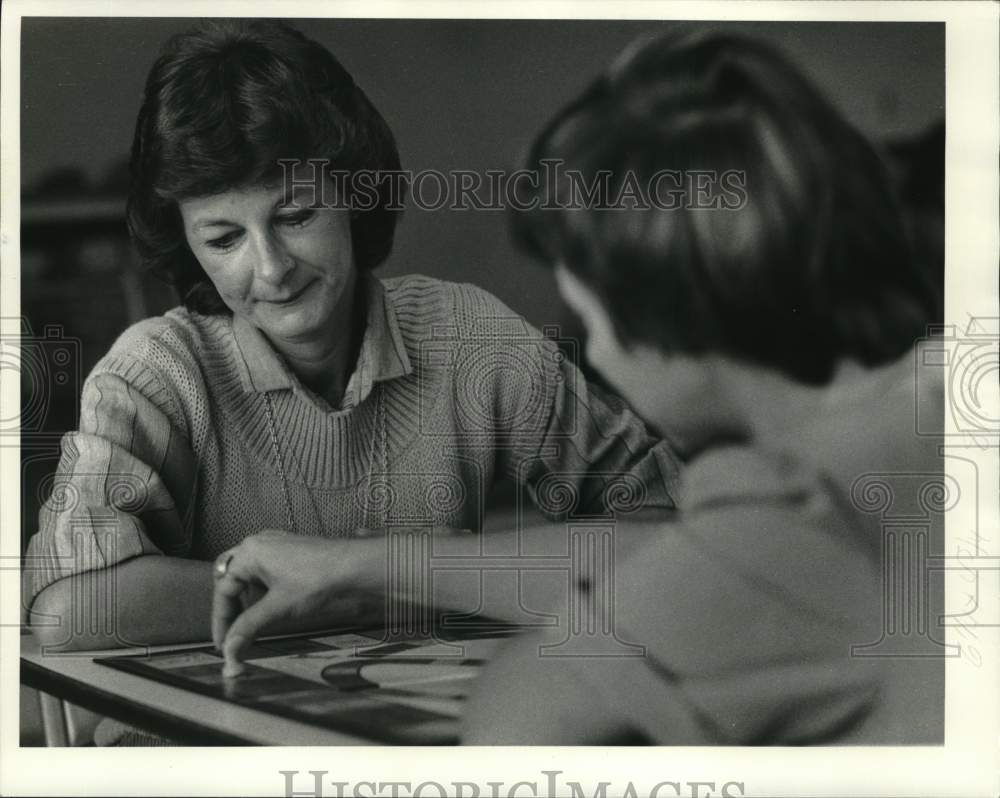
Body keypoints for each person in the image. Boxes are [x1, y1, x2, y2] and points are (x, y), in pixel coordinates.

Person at [23, 22, 680, 671]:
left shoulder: (470, 334)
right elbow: (70, 606)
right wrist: (366, 593)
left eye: (296, 215)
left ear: (354, 197)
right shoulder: (157, 370)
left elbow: (675, 531)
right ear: (187, 243)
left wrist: (366, 569)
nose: (272, 269)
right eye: (224, 239)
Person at [456, 29, 946, 744]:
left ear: (669, 316)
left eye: (588, 320)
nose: (598, 357)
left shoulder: (798, 506)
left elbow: (520, 723)